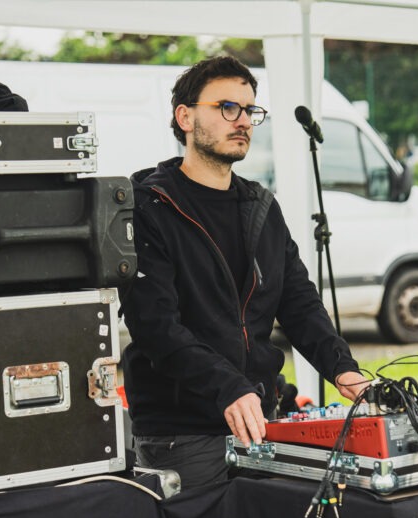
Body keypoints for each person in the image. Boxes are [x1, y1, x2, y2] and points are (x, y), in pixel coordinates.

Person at [120, 55, 369, 490]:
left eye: (250, 110)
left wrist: (344, 370)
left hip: (260, 417)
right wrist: (228, 387)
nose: (243, 121)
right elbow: (155, 327)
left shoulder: (260, 207)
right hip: (183, 432)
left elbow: (299, 303)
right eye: (227, 108)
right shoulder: (149, 207)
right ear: (185, 116)